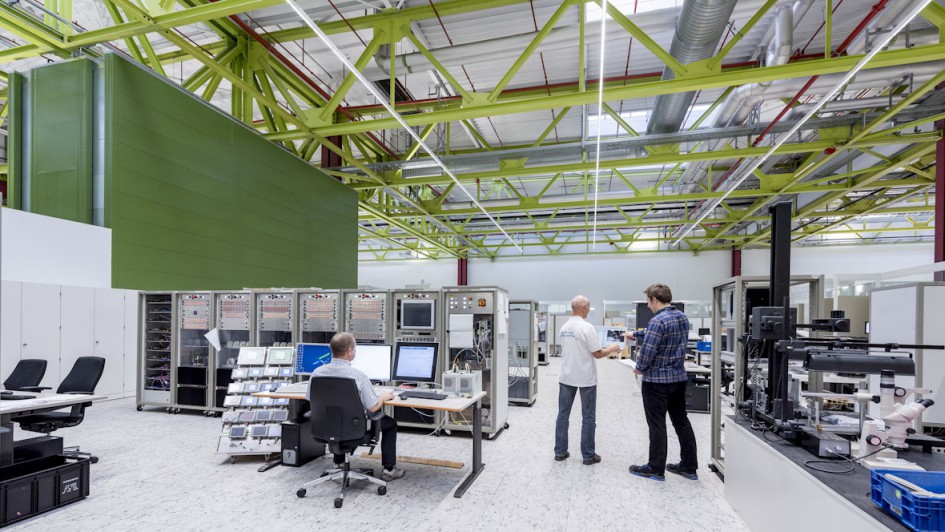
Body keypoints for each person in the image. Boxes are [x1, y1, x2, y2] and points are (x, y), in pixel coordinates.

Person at [307, 332, 405, 481]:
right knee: (390, 424)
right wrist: (384, 398)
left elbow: (310, 399)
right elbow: (373, 408)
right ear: (348, 351)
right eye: (355, 349)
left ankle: (338, 464)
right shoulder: (358, 376)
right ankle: (389, 470)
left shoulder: (316, 373)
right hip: (354, 428)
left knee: (337, 417)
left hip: (325, 426)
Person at [627, 283, 698, 482]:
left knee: (657, 424)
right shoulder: (681, 317)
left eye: (648, 302)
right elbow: (658, 334)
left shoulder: (657, 321)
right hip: (678, 379)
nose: (648, 306)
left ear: (654, 299)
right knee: (681, 421)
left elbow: (648, 350)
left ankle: (655, 468)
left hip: (656, 382)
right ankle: (689, 466)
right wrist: (635, 334)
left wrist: (639, 366)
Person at [555, 295, 621, 465]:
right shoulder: (587, 327)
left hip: (566, 377)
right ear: (583, 308)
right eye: (588, 309)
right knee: (588, 417)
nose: (588, 312)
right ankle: (588, 456)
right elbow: (597, 354)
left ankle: (560, 452)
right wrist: (612, 349)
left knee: (563, 415)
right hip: (586, 379)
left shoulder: (564, 327)